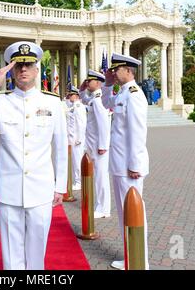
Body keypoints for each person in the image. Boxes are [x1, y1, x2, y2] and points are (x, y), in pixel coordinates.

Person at [0, 41, 68, 270]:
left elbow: (61, 146)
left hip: (41, 188)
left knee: (37, 253)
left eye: (28, 65)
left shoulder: (52, 102)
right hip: (9, 189)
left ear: (36, 68)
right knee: (11, 256)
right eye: (18, 65)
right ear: (11, 69)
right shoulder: (0, 101)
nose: (23, 70)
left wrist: (60, 185)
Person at [101, 53, 149, 270]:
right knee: (124, 215)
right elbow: (106, 103)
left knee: (134, 213)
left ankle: (140, 260)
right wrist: (107, 85)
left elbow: (137, 132)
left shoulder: (134, 94)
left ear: (128, 71)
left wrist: (135, 165)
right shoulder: (122, 93)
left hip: (129, 167)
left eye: (116, 70)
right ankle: (131, 256)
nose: (113, 72)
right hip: (121, 165)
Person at [79, 70, 111, 218]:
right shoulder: (94, 97)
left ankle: (103, 208)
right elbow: (84, 100)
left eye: (89, 81)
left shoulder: (98, 100)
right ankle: (101, 205)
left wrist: (103, 145)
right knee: (98, 175)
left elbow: (104, 124)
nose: (87, 82)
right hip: (93, 143)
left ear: (98, 83)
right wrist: (81, 90)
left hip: (99, 145)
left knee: (100, 176)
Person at [65, 86, 87, 191]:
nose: (69, 96)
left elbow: (81, 124)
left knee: (77, 161)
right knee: (73, 161)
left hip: (77, 139)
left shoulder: (79, 106)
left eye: (71, 95)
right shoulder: (72, 106)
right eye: (69, 95)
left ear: (77, 95)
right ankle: (74, 180)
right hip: (71, 138)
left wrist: (79, 138)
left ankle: (79, 182)